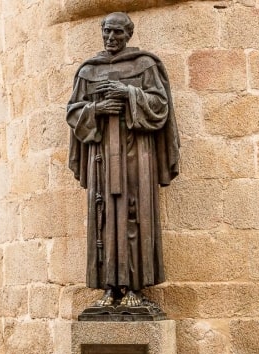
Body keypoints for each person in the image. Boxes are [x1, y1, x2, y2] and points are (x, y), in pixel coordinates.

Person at [66, 12, 180, 308]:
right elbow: (73, 112)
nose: (111, 38)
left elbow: (160, 106)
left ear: (128, 34)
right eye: (107, 32)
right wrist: (98, 108)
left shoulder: (145, 65)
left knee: (135, 214)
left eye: (117, 33)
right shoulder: (88, 71)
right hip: (101, 156)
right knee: (104, 218)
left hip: (136, 154)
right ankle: (108, 286)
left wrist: (128, 93)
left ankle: (135, 288)